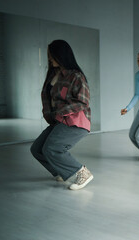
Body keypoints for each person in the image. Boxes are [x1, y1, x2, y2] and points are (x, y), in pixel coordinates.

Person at [30, 39, 93, 190]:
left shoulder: (76, 76)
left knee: (52, 148)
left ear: (61, 55)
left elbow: (83, 102)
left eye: (52, 55)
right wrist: (49, 115)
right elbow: (47, 97)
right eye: (49, 56)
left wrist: (60, 112)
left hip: (75, 121)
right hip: (59, 120)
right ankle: (60, 171)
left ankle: (82, 173)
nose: (50, 59)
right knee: (37, 149)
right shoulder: (52, 75)